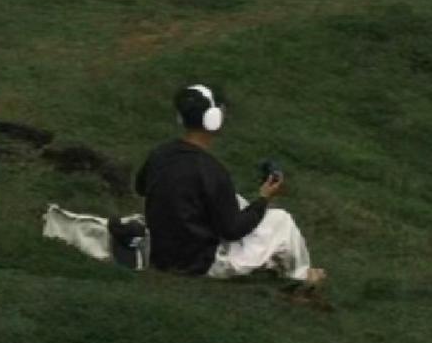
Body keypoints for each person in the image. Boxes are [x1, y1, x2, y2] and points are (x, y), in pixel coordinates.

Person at [134, 83, 325, 287]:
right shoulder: (211, 170)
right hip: (197, 263)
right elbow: (232, 231)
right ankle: (301, 278)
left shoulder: (160, 153)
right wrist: (263, 199)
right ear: (213, 119)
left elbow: (141, 187)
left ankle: (286, 270)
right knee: (281, 221)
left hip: (159, 252)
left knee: (235, 201)